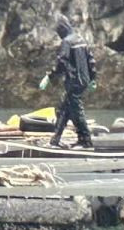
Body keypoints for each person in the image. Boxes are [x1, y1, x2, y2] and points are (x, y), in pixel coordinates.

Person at [38, 16, 97, 150]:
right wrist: (93, 78)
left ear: (62, 30)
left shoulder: (67, 42)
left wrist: (49, 76)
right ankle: (55, 140)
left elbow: (62, 62)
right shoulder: (81, 39)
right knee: (64, 109)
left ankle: (86, 141)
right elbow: (91, 60)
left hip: (74, 81)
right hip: (84, 80)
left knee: (77, 111)